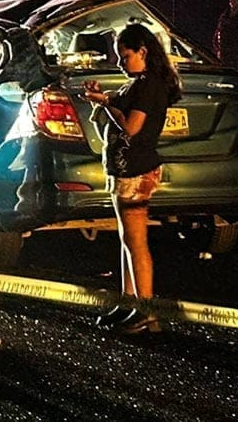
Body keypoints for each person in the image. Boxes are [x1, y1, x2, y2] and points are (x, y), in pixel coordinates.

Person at [83, 23, 182, 335]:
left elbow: (132, 128)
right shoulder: (138, 83)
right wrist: (105, 98)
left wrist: (106, 105)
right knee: (128, 241)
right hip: (125, 170)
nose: (120, 63)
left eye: (124, 57)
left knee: (136, 243)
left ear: (143, 52)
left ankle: (146, 311)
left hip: (137, 171)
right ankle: (129, 303)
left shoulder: (149, 85)